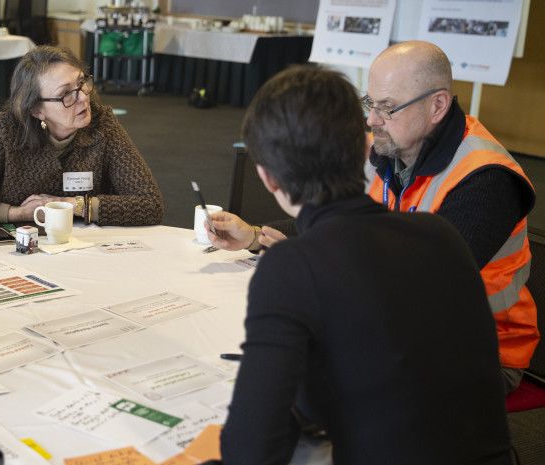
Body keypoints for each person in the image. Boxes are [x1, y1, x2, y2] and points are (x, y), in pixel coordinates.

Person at [218, 65, 510, 465]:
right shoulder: (441, 235)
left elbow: (250, 451)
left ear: (267, 178)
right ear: (361, 151)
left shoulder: (293, 267)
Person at [207, 41, 537, 393]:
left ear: (437, 105)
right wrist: (257, 236)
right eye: (370, 103)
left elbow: (420, 290)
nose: (371, 119)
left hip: (477, 350)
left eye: (387, 107)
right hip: (398, 325)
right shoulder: (388, 148)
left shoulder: (486, 180)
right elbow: (334, 222)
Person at [0, 46, 163, 226]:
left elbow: (150, 204)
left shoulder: (103, 125)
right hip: (20, 253)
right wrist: (15, 213)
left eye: (82, 84)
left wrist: (76, 205)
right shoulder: (8, 130)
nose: (83, 98)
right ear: (36, 109)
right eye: (65, 94)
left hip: (87, 253)